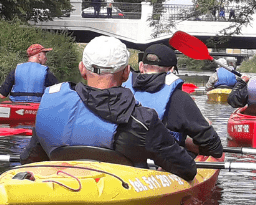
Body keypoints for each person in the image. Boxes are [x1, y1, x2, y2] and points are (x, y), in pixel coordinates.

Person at [20, 36, 198, 181]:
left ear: (82, 69)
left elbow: (28, 161)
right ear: (127, 73)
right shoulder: (143, 120)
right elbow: (187, 169)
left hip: (64, 186)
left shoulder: (49, 108)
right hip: (122, 201)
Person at [124, 43, 223, 158]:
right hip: (164, 166)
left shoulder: (120, 90)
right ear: (171, 70)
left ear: (141, 66)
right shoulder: (180, 99)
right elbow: (215, 149)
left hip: (124, 163)